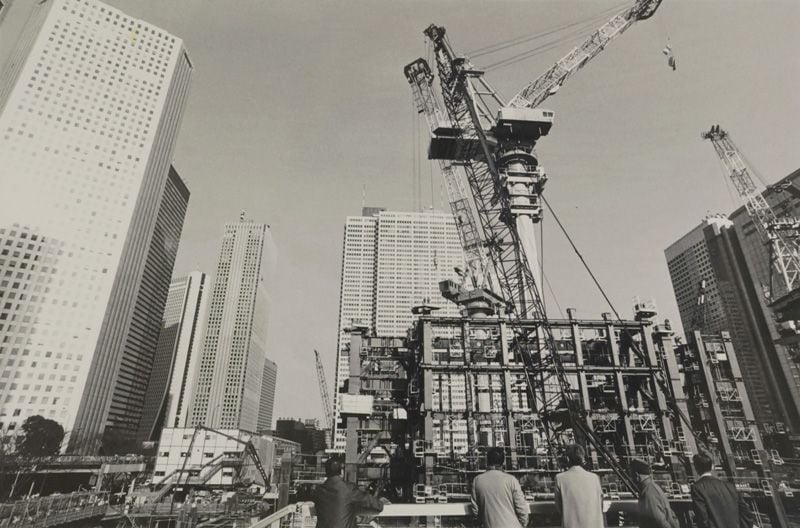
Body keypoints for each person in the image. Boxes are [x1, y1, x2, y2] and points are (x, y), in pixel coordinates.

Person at [312, 457, 385, 528]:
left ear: (326, 472)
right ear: (342, 472)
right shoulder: (348, 489)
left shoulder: (318, 491)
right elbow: (375, 505)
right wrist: (381, 502)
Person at [690, 451, 754, 528]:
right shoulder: (730, 486)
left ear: (696, 468)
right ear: (712, 467)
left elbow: (702, 517)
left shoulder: (697, 488)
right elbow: (746, 513)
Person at [470, 447, 529, 528]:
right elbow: (522, 508)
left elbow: (475, 511)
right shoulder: (511, 480)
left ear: (487, 461)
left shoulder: (477, 480)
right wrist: (522, 525)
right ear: (503, 462)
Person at [554, 444, 604, 528]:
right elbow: (601, 504)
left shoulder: (560, 478)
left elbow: (559, 508)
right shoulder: (594, 478)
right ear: (582, 459)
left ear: (567, 459)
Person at [631, 458, 679, 528]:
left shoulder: (648, 494)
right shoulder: (654, 488)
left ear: (636, 475)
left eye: (631, 473)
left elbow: (659, 522)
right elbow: (672, 517)